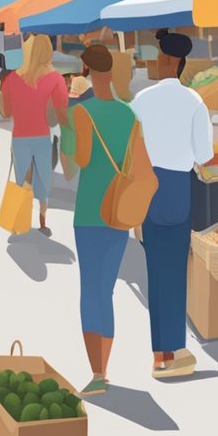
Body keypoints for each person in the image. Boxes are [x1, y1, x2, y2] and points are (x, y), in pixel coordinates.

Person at [69, 44, 151, 397]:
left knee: (90, 291)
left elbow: (81, 161)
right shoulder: (130, 114)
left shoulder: (82, 112)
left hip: (90, 211)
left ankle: (98, 373)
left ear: (86, 70)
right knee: (107, 289)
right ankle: (104, 368)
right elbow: (138, 164)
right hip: (120, 212)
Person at [130, 30, 213, 379]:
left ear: (169, 60)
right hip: (178, 187)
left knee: (155, 270)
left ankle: (159, 353)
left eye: (158, 56)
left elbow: (130, 148)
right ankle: (175, 350)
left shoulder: (141, 100)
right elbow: (204, 155)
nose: (155, 61)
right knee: (175, 271)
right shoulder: (195, 101)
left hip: (148, 187)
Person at [0, 35, 69, 234]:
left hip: (20, 136)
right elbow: (61, 107)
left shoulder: (12, 78)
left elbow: (7, 110)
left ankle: (21, 222)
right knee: (43, 177)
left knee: (23, 178)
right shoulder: (55, 78)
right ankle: (42, 221)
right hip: (43, 136)